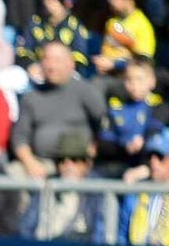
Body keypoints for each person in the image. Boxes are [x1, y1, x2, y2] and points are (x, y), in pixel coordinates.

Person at [10, 41, 107, 178]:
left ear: (71, 64)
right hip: (40, 164)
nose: (51, 65)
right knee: (13, 173)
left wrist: (89, 156)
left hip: (75, 163)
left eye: (57, 60)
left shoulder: (85, 91)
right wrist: (30, 163)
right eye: (46, 59)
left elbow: (105, 124)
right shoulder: (31, 97)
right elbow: (20, 138)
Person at [119, 129, 169, 246]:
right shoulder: (136, 194)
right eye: (150, 157)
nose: (153, 162)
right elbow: (122, 235)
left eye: (160, 157)